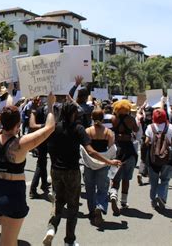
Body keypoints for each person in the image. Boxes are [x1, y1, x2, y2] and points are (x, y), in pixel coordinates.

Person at [0, 92, 56, 246]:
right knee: (8, 241)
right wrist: (51, 106)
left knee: (7, 237)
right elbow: (50, 127)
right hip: (13, 195)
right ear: (18, 124)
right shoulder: (22, 143)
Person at [43, 101, 121, 246]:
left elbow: (50, 148)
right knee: (73, 207)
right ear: (73, 114)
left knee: (58, 202)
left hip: (56, 170)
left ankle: (51, 229)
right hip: (72, 171)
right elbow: (90, 151)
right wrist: (109, 162)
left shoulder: (55, 128)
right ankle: (69, 241)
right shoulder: (78, 129)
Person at [83, 109, 116, 226]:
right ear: (103, 118)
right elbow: (112, 149)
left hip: (89, 163)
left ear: (91, 117)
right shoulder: (108, 133)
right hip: (103, 163)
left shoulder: (87, 131)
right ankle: (100, 206)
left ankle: (92, 210)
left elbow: (84, 147)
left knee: (89, 188)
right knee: (102, 188)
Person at [109, 99, 139, 215]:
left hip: (117, 149)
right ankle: (124, 201)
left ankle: (113, 194)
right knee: (126, 178)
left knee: (115, 177)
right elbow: (136, 129)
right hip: (129, 149)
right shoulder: (131, 119)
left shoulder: (113, 119)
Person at [145, 109, 172, 209]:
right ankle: (161, 196)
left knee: (153, 181)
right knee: (165, 180)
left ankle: (153, 199)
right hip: (167, 158)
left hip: (153, 159)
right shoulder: (170, 127)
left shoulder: (150, 127)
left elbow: (147, 142)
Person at [29, 98, 51, 198]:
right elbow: (32, 125)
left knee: (42, 162)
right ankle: (33, 189)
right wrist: (45, 126)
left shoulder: (37, 110)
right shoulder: (43, 111)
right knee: (41, 163)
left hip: (42, 139)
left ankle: (44, 184)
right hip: (45, 139)